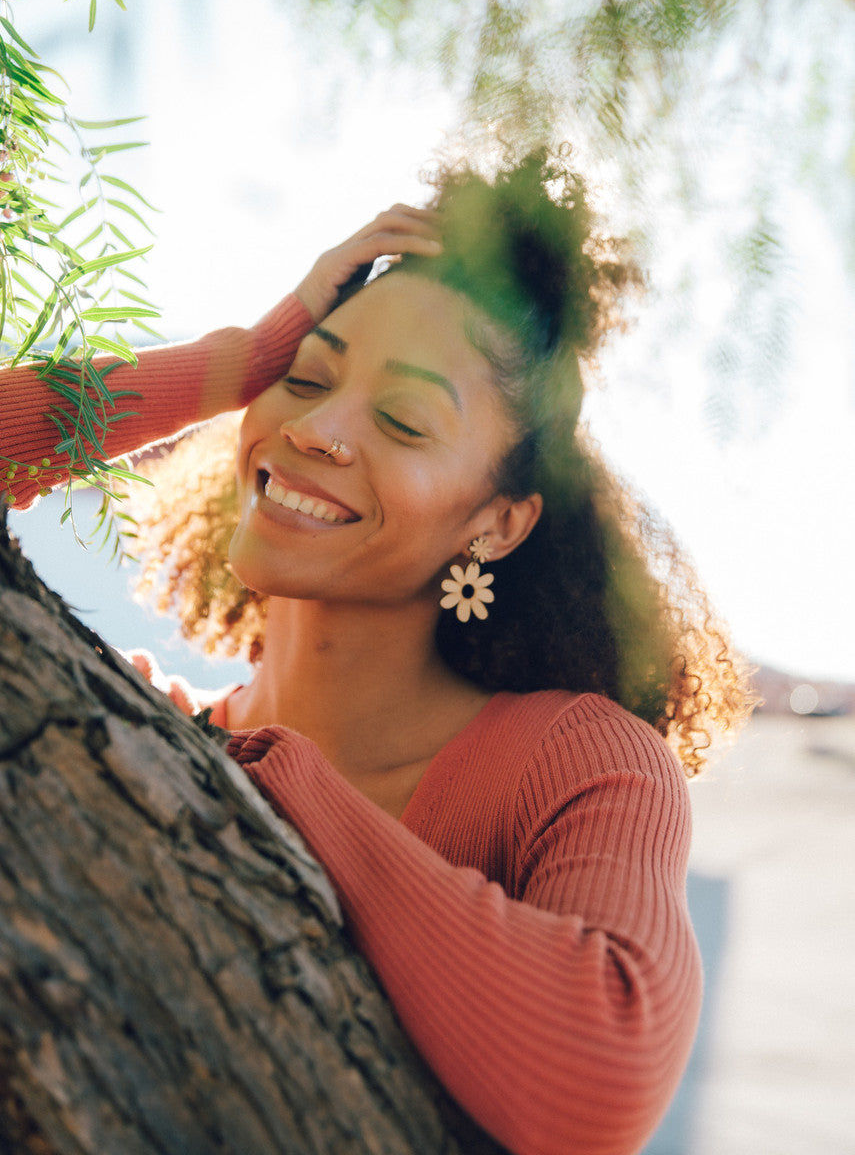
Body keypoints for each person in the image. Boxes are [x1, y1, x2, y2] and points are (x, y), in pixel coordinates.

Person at [1, 150, 753, 1155]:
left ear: (494, 521)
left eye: (401, 418)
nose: (318, 427)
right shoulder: (142, 733)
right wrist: (235, 363)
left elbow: (599, 1072)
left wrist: (280, 783)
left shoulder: (582, 760)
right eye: (304, 377)